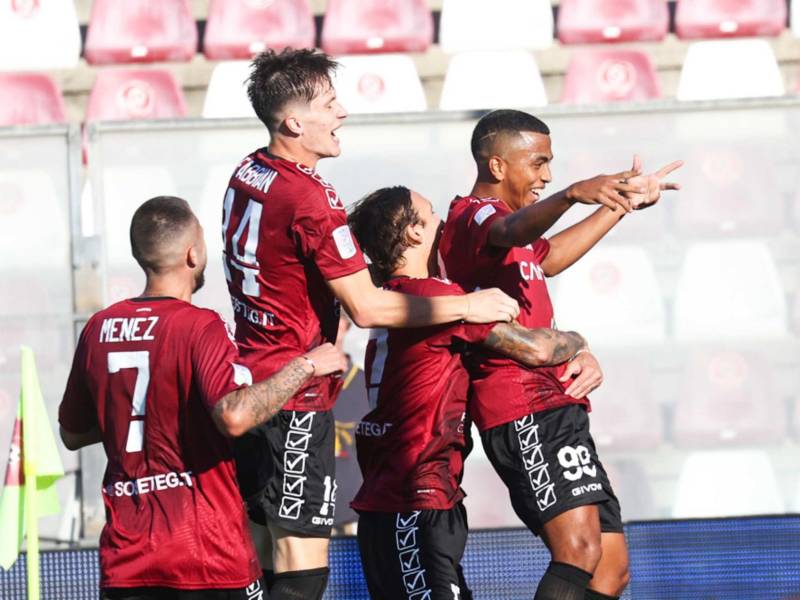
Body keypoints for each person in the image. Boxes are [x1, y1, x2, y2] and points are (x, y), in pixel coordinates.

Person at [222, 49, 519, 599]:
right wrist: (468, 306)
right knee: (301, 569)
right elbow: (368, 307)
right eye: (330, 104)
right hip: (295, 393)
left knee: (261, 562)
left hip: (252, 375)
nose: (343, 114)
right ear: (293, 122)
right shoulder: (310, 195)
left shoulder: (247, 171)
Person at [439, 109, 682, 600]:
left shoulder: (517, 236)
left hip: (559, 403)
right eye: (538, 163)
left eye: (552, 166)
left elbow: (546, 255)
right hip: (520, 406)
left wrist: (620, 204)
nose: (546, 175)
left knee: (610, 571)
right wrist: (571, 193)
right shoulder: (473, 217)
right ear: (498, 165)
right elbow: (513, 234)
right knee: (578, 552)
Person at [58, 196, 348, 600]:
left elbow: (72, 434)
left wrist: (148, 416)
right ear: (194, 253)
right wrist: (306, 366)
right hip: (206, 556)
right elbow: (233, 416)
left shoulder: (98, 329)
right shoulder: (200, 326)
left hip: (126, 560)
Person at [347, 186, 591, 600]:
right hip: (412, 501)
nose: (443, 223)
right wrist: (578, 340)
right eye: (432, 214)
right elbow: (536, 349)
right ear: (412, 233)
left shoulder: (404, 297)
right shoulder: (434, 297)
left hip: (411, 498)